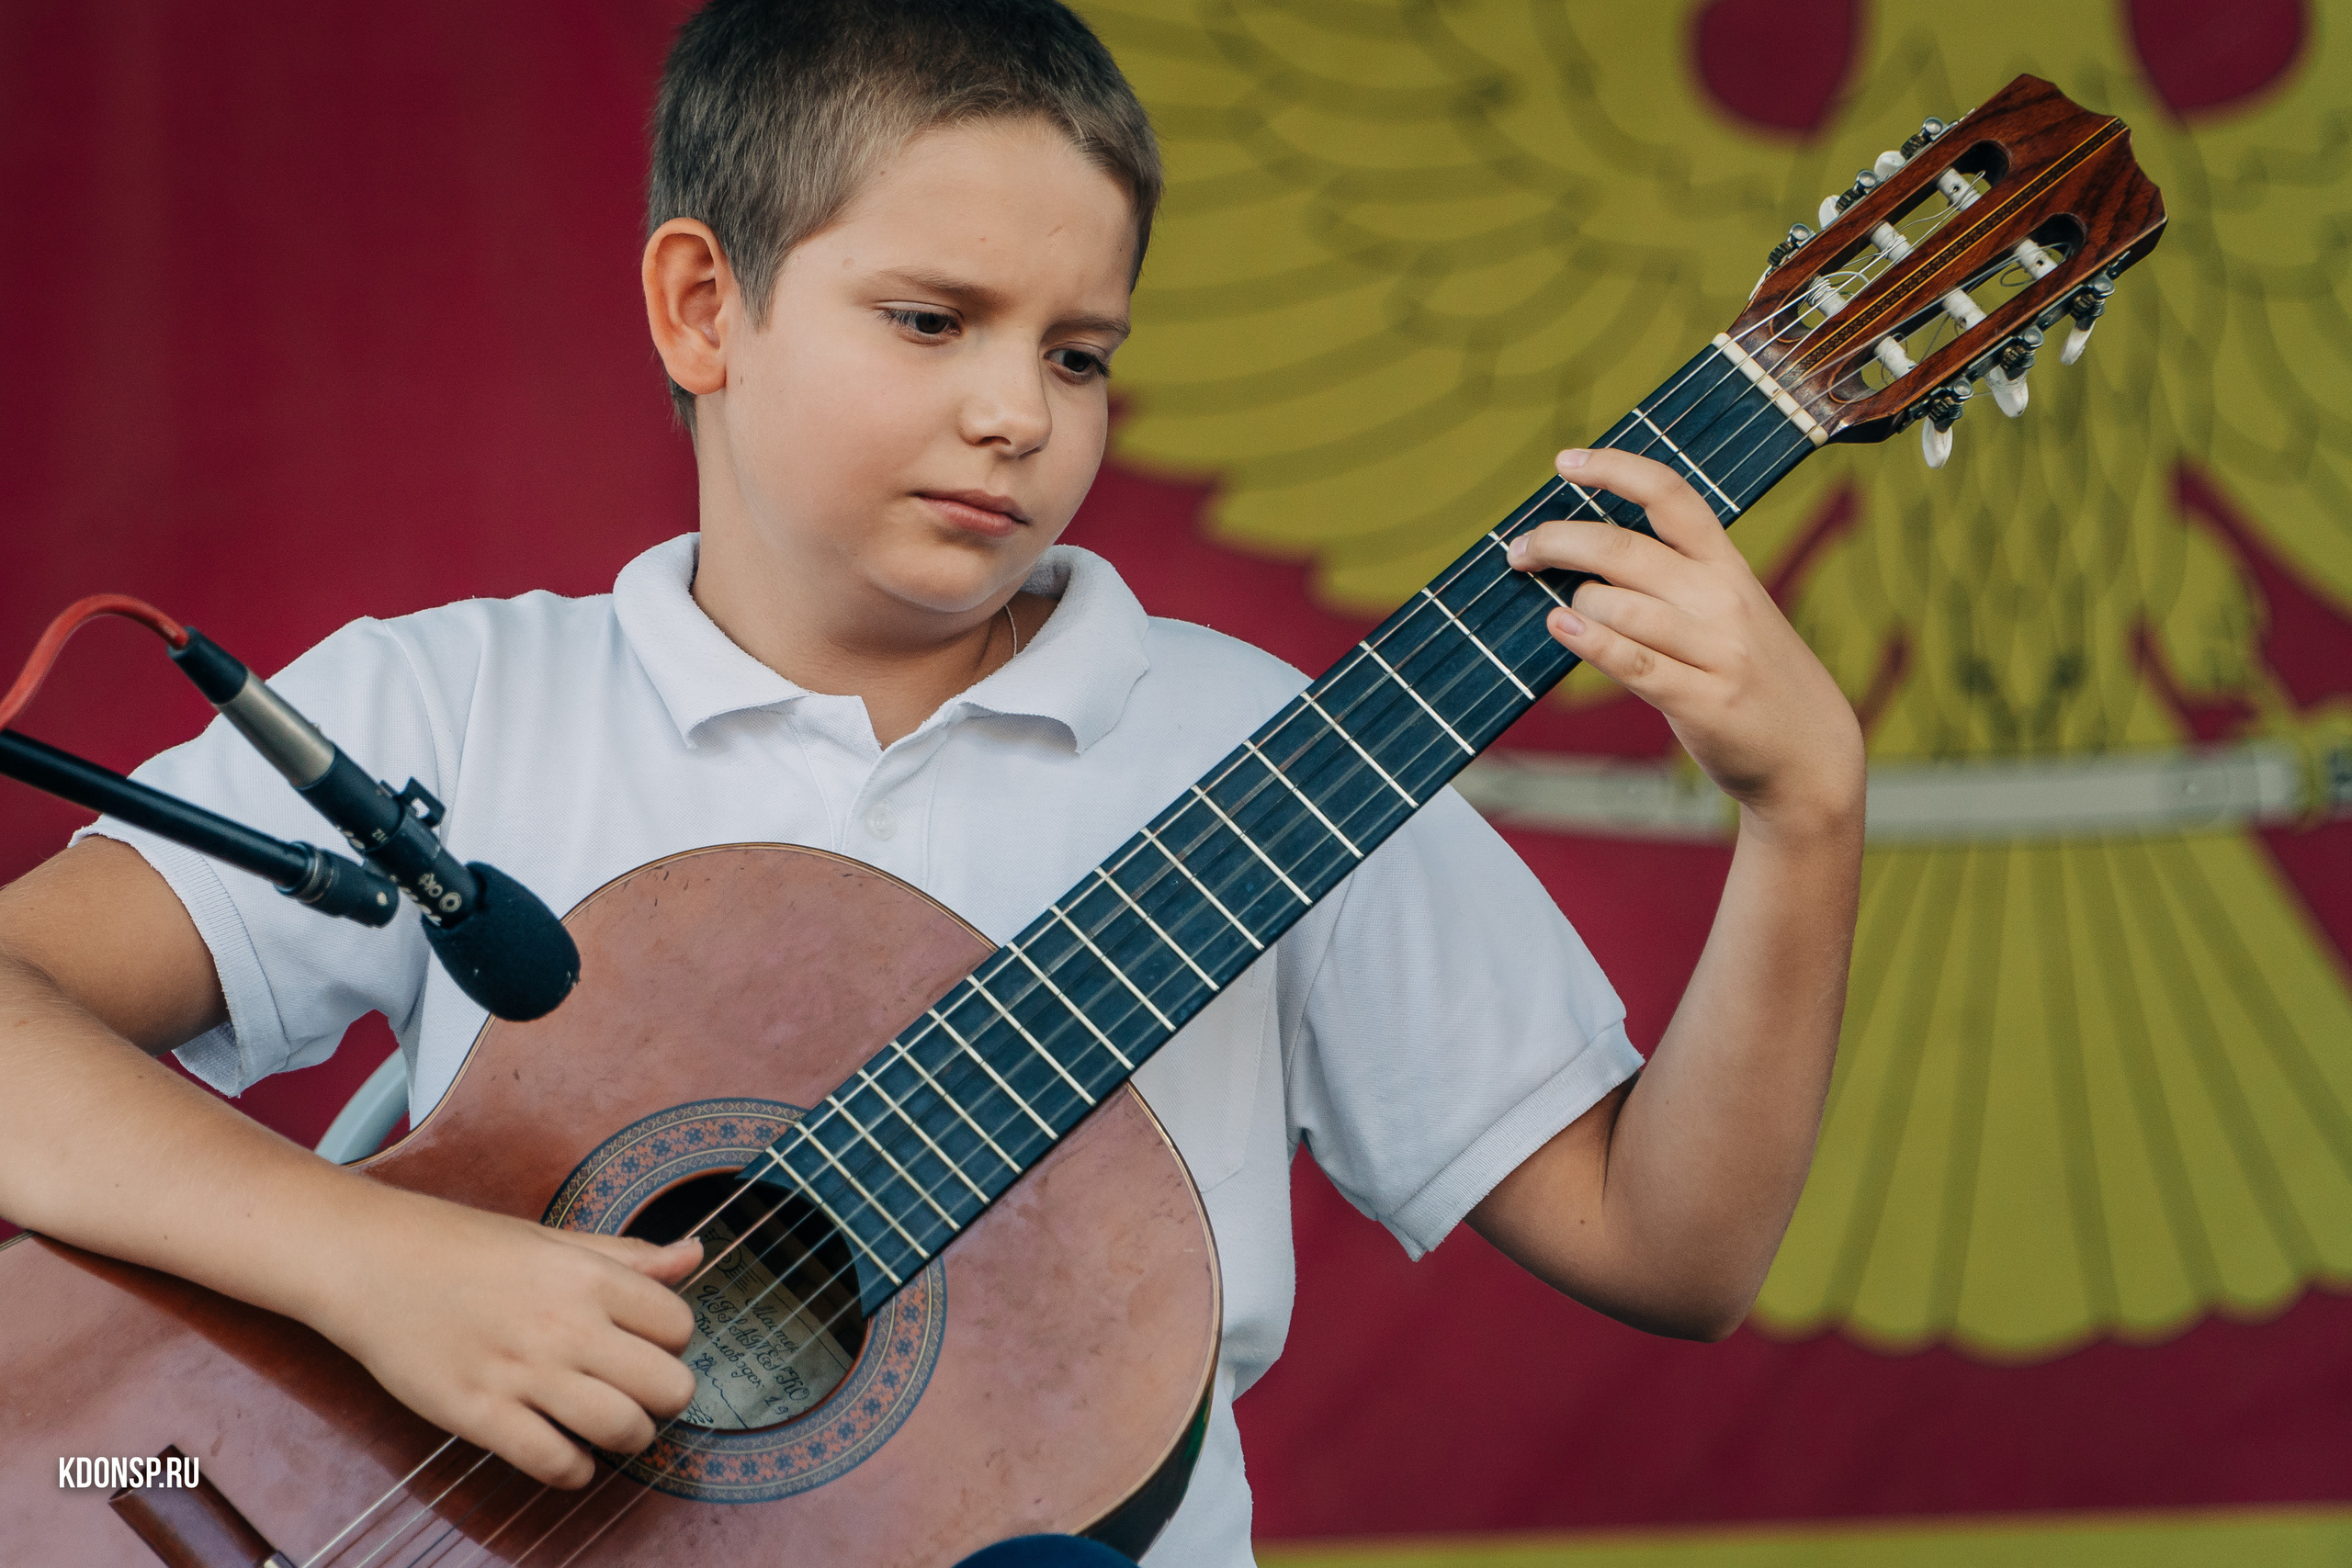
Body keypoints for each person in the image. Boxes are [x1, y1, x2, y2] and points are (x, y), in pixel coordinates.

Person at [0, 1, 1864, 1562]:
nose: (1016, 413)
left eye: (1078, 353)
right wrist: (372, 1264)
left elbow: (1667, 1243)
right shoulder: (462, 701)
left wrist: (1802, 816)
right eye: (931, 319)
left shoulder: (1271, 761)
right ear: (698, 308)